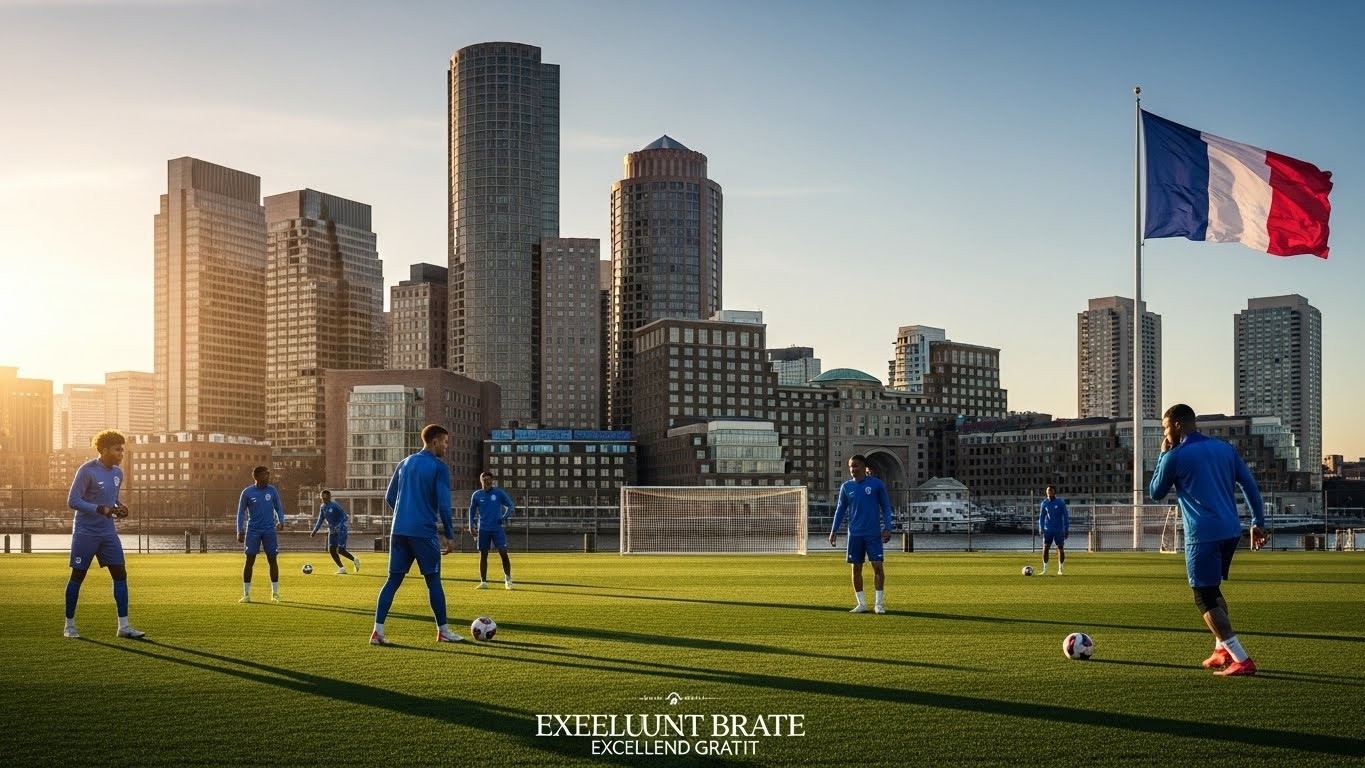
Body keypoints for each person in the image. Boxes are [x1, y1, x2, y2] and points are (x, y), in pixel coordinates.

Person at [1149, 403, 1267, 676]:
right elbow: (1249, 484)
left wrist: (1162, 454)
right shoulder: (1225, 449)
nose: (1165, 434)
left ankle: (1241, 658)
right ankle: (1220, 650)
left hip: (1202, 535)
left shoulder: (1175, 455)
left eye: (1165, 428)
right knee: (1213, 591)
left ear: (1177, 425)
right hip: (1231, 531)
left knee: (1203, 597)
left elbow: (1155, 492)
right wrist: (1258, 522)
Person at [370, 424, 462, 645]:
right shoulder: (439, 467)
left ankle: (377, 632)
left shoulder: (405, 462)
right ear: (434, 441)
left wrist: (405, 513)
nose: (447, 447)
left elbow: (389, 496)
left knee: (392, 581)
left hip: (398, 530)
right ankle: (443, 632)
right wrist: (449, 535)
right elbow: (444, 504)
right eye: (445, 442)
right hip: (423, 532)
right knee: (433, 581)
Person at [63, 429, 146, 639]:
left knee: (120, 574)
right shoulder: (86, 471)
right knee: (78, 575)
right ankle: (69, 626)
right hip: (85, 532)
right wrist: (99, 509)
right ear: (105, 450)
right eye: (118, 450)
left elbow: (111, 499)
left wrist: (119, 507)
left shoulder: (118, 473)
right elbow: (73, 501)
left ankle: (123, 627)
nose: (122, 454)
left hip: (107, 531)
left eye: (123, 450)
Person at [828, 454, 893, 614]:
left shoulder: (876, 484)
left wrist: (888, 527)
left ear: (864, 467)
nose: (853, 469)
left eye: (856, 465)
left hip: (873, 533)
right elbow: (840, 510)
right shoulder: (846, 487)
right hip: (855, 534)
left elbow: (886, 507)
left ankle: (878, 604)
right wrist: (834, 530)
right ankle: (861, 604)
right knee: (856, 568)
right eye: (851, 466)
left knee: (877, 566)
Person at [236, 465, 285, 603]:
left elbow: (278, 507)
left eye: (268, 474)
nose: (267, 477)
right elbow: (241, 513)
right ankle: (246, 594)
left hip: (269, 530)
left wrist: (281, 521)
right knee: (249, 560)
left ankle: (275, 594)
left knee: (272, 560)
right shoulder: (247, 492)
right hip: (253, 531)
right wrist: (239, 530)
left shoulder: (272, 491)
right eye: (264, 474)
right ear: (256, 476)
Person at [469, 470, 515, 590]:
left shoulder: (498, 493)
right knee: (483, 555)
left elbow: (510, 506)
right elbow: (472, 511)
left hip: (496, 529)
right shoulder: (477, 495)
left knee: (503, 552)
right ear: (481, 481)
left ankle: (508, 580)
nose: (487, 482)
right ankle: (483, 581)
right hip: (483, 529)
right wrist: (471, 525)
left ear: (492, 481)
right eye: (485, 480)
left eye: (489, 480)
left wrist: (503, 518)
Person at [311, 490, 359, 574]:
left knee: (340, 550)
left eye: (325, 497)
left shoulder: (335, 505)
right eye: (322, 497)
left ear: (329, 497)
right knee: (332, 549)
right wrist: (315, 531)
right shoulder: (323, 507)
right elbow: (320, 520)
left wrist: (339, 526)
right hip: (332, 531)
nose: (324, 499)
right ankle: (342, 568)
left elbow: (345, 517)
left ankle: (354, 560)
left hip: (341, 530)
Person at [1038, 485, 1070, 575]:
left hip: (1059, 529)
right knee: (1045, 548)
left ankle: (1060, 569)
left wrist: (1066, 529)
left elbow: (1065, 516)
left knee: (1060, 548)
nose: (1049, 492)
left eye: (1051, 490)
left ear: (1054, 492)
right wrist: (1041, 527)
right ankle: (1045, 570)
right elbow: (1041, 517)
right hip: (1048, 529)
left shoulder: (1060, 502)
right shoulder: (1044, 503)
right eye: (1048, 491)